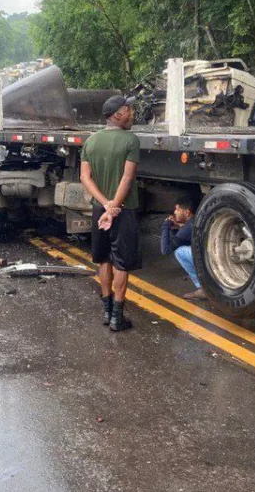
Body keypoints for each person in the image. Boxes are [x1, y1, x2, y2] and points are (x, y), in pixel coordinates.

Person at [80, 95, 141, 332]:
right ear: (117, 114)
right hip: (123, 210)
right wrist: (114, 205)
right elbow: (127, 177)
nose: (132, 113)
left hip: (100, 209)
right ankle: (117, 317)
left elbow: (85, 177)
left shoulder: (91, 141)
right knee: (121, 263)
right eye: (129, 109)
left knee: (103, 259)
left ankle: (107, 312)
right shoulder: (130, 140)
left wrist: (105, 204)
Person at [161, 202, 205, 300]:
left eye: (178, 209)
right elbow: (181, 239)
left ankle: (203, 289)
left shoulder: (187, 229)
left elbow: (165, 250)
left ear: (187, 212)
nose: (175, 212)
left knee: (180, 252)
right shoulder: (196, 219)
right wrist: (176, 227)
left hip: (209, 259)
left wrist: (165, 226)